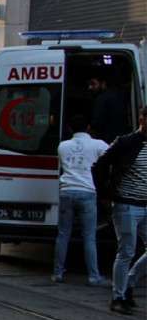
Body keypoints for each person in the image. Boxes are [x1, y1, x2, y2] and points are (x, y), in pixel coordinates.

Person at [93, 106, 147, 315]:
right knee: (126, 251)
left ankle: (129, 284)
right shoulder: (126, 142)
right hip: (126, 204)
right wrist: (105, 194)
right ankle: (118, 297)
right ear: (142, 119)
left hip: (145, 204)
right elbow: (99, 166)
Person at [52, 114, 110, 287]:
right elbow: (112, 156)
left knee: (63, 234)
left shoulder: (62, 146)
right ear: (89, 127)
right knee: (89, 236)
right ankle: (93, 276)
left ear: (70, 128)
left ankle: (58, 273)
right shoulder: (98, 144)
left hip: (66, 191)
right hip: (87, 192)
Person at [88, 74, 127, 144]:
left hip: (106, 140)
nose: (90, 87)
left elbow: (97, 122)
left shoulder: (101, 99)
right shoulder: (118, 96)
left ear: (103, 84)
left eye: (93, 84)